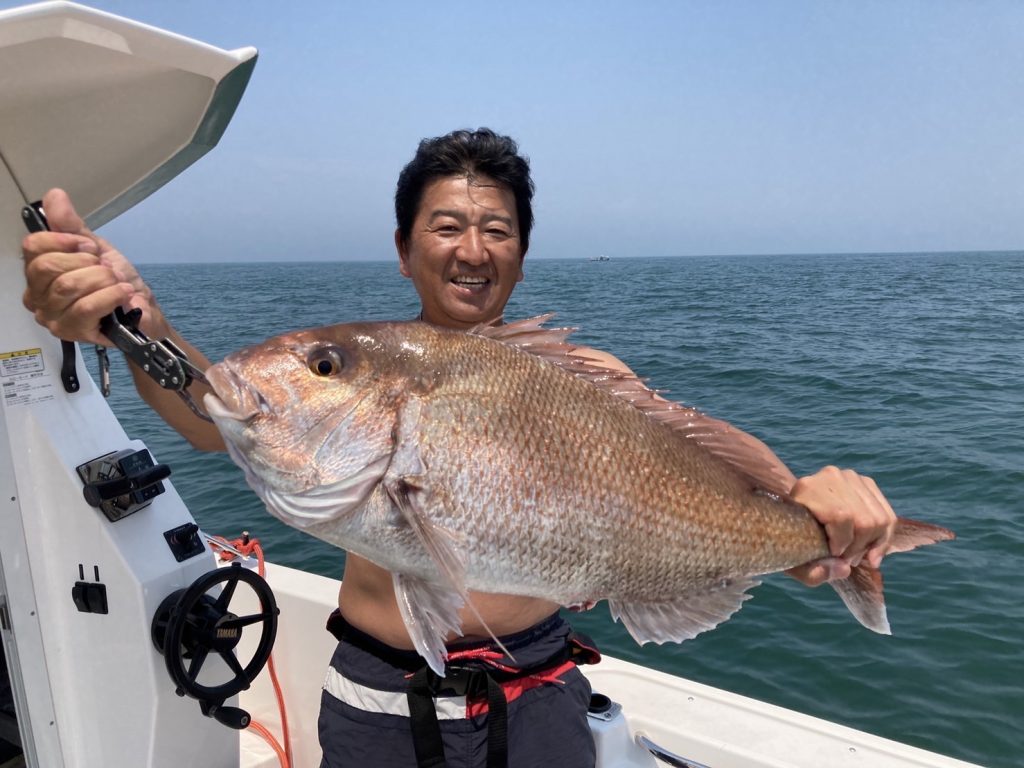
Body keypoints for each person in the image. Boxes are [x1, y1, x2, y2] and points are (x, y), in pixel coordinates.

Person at [22, 128, 897, 768]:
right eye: (445, 226)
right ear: (404, 250)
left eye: (497, 229)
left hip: (545, 700)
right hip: (379, 705)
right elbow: (219, 415)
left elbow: (700, 507)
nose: (472, 249)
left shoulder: (594, 380)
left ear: (520, 252)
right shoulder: (379, 369)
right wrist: (142, 326)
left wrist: (813, 523)